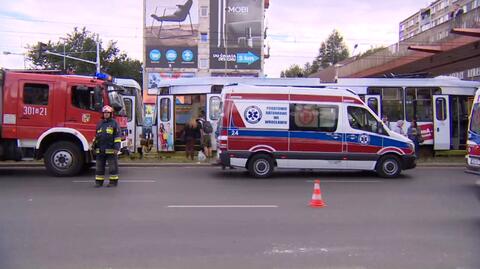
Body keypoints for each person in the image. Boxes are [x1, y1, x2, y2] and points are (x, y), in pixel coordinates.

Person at [92, 105, 121, 187]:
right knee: (99, 167)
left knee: (112, 167)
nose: (106, 114)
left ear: (111, 114)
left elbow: (117, 137)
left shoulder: (114, 123)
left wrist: (116, 147)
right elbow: (97, 136)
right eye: (105, 113)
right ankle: (99, 182)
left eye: (108, 113)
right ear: (103, 114)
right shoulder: (100, 123)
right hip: (100, 150)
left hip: (111, 150)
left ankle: (113, 182)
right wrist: (94, 146)